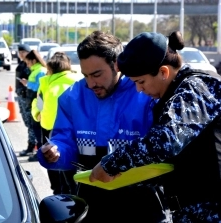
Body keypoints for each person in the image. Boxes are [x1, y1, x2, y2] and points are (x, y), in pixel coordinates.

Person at [89, 31, 221, 223]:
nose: (139, 90)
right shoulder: (178, 93)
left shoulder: (195, 89)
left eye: (141, 82)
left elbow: (165, 141)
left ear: (163, 72)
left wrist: (111, 163)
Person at [38, 31, 167, 223]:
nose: (91, 84)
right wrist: (55, 152)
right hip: (91, 202)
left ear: (117, 64)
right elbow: (64, 140)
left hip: (142, 205)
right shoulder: (72, 97)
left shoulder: (145, 92)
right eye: (85, 75)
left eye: (97, 74)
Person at [31, 51, 81, 195]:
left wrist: (37, 113)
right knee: (72, 164)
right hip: (74, 128)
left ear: (50, 69)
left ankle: (58, 194)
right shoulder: (79, 80)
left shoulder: (46, 83)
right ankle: (73, 195)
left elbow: (38, 105)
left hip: (50, 128)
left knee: (51, 161)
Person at [20, 50, 47, 162]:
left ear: (34, 60)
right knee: (35, 126)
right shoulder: (35, 70)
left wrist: (28, 84)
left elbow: (40, 88)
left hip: (39, 100)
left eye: (28, 62)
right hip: (35, 100)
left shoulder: (40, 70)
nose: (27, 65)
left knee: (38, 126)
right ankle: (39, 150)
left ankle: (40, 151)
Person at [16, 44, 38, 157]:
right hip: (22, 96)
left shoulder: (31, 67)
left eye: (23, 52)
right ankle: (32, 145)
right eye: (20, 52)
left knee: (31, 124)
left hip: (28, 97)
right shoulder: (22, 64)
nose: (21, 55)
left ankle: (31, 146)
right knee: (28, 123)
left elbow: (35, 84)